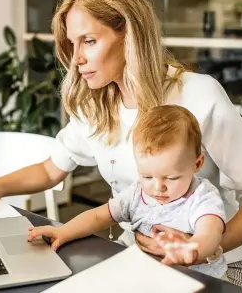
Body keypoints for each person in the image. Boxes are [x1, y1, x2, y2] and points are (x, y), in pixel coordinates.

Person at [0, 0, 242, 291]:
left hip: (220, 267)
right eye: (73, 44)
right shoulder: (97, 105)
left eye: (88, 41)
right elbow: (49, 169)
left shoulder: (199, 95)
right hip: (136, 257)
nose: (75, 59)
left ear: (128, 34)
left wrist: (205, 247)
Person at [27, 105, 229, 280]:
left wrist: (192, 249)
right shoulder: (137, 193)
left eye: (171, 178)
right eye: (147, 176)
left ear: (197, 164)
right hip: (146, 274)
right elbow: (98, 216)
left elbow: (210, 233)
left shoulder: (202, 197)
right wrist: (63, 231)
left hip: (198, 280)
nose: (158, 187)